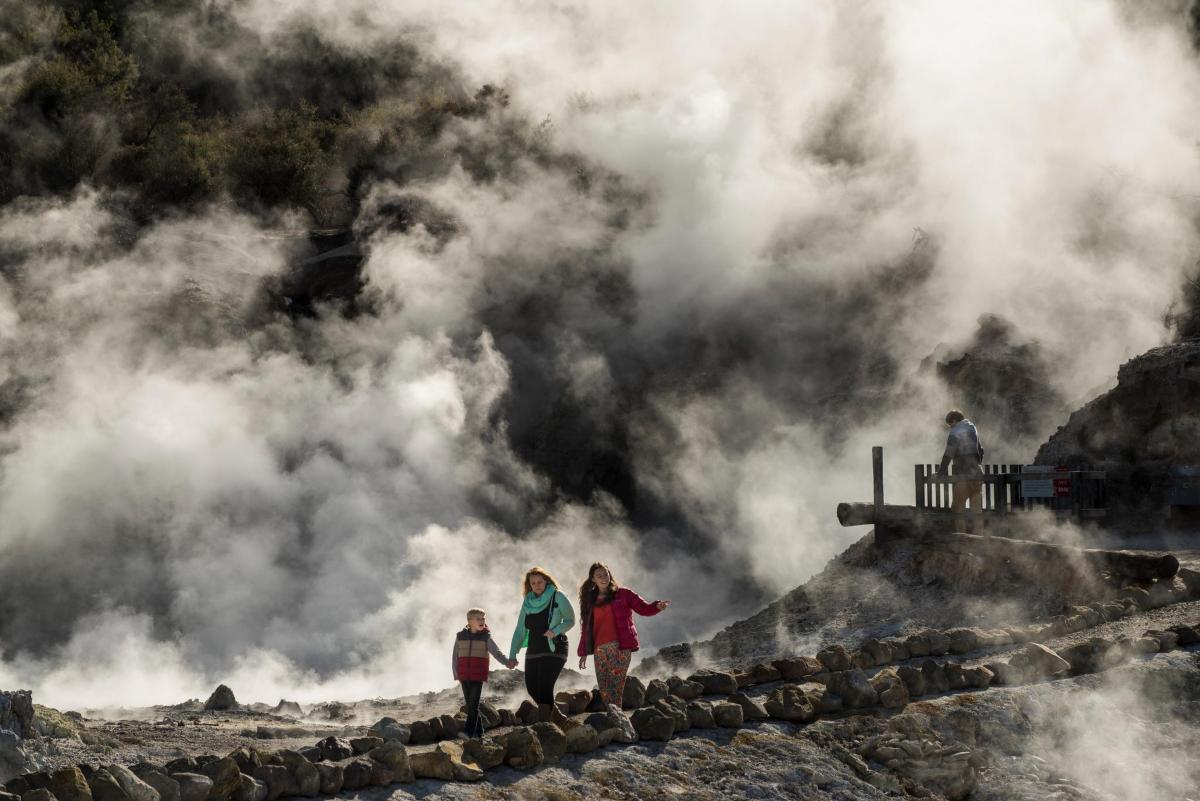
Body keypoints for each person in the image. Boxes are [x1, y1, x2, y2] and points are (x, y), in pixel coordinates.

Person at [576, 563, 670, 708]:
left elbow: (643, 608)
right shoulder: (590, 600)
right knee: (604, 689)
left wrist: (656, 606)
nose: (603, 578)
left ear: (610, 575)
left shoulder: (624, 594)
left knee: (615, 688)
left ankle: (618, 722)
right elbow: (586, 629)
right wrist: (583, 652)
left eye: (605, 574)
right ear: (593, 579)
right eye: (599, 576)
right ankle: (614, 720)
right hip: (599, 650)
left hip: (620, 647)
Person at [509, 566, 575, 724]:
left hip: (554, 648)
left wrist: (556, 630)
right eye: (533, 583)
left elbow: (570, 619)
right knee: (532, 688)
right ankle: (558, 718)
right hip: (534, 649)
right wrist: (512, 654)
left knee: (545, 686)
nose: (537, 585)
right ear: (529, 585)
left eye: (540, 581)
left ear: (546, 581)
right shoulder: (528, 602)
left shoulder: (557, 596)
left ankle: (545, 727)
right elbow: (520, 630)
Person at [452, 607, 517, 739]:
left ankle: (468, 732)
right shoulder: (460, 636)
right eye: (478, 619)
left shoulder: (486, 637)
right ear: (469, 621)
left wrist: (507, 662)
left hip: (477, 676)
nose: (482, 621)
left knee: (474, 705)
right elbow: (455, 656)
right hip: (464, 676)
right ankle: (480, 731)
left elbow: (496, 652)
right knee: (471, 705)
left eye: (483, 618)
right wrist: (456, 674)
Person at [938, 409, 985, 532]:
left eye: (950, 424)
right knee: (977, 509)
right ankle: (978, 537)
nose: (950, 427)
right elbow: (981, 450)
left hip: (963, 475)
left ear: (954, 420)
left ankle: (961, 537)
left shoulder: (956, 431)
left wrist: (941, 472)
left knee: (958, 507)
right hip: (977, 473)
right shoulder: (973, 428)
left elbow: (949, 453)